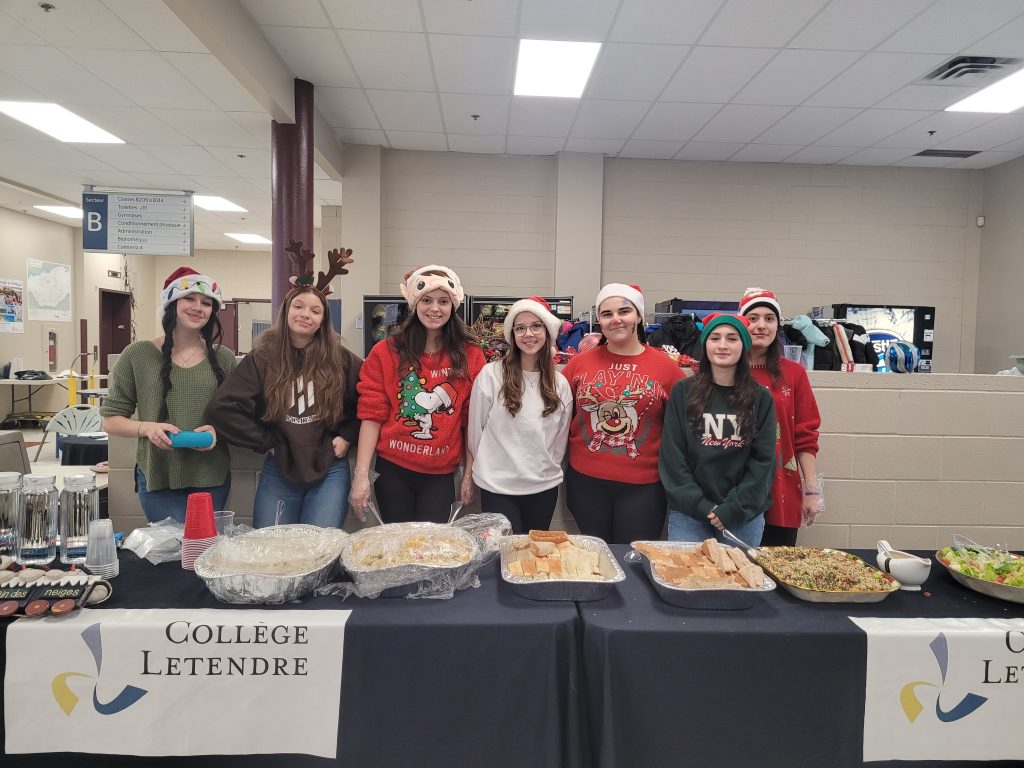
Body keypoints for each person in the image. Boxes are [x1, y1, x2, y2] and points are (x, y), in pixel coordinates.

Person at [207, 283, 361, 528]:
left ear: (323, 320)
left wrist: (348, 435)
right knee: (269, 550)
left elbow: (374, 402)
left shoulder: (341, 360)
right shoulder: (262, 358)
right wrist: (265, 441)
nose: (305, 314)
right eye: (298, 306)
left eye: (315, 310)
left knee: (319, 551)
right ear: (286, 311)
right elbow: (222, 409)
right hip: (281, 467)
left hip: (329, 469)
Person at [350, 265, 485, 523]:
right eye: (427, 300)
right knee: (398, 548)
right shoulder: (385, 351)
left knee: (431, 552)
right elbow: (372, 413)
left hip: (440, 474)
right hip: (393, 470)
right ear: (414, 303)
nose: (435, 308)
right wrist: (360, 476)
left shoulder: (471, 354)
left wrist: (469, 473)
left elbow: (471, 420)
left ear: (453, 306)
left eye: (443, 301)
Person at [101, 267, 236, 522]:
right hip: (157, 476)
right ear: (171, 303)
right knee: (169, 556)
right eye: (189, 298)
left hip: (211, 476)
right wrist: (147, 428)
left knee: (203, 552)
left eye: (207, 303)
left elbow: (243, 415)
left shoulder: (224, 359)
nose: (198, 307)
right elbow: (110, 420)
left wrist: (219, 432)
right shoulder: (137, 355)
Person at [561, 284, 684, 544]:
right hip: (586, 482)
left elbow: (682, 429)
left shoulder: (666, 368)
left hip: (644, 487)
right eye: (607, 314)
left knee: (633, 561)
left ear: (639, 316)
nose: (615, 319)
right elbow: (558, 417)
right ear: (600, 321)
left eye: (624, 311)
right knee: (595, 560)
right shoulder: (578, 364)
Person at [659, 313, 776, 545]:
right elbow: (673, 456)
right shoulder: (683, 392)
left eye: (732, 339)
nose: (722, 345)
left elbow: (764, 462)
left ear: (744, 345)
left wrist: (733, 508)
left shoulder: (760, 397)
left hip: (743, 515)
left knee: (737, 581)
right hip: (689, 513)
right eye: (715, 338)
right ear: (705, 344)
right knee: (688, 579)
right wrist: (701, 506)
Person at [466, 297, 572, 534]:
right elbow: (476, 431)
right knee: (501, 555)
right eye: (520, 328)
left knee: (533, 557)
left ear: (547, 331)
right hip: (497, 486)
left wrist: (546, 468)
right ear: (512, 334)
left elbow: (560, 441)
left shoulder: (560, 384)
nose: (528, 334)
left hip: (542, 487)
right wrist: (477, 471)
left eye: (536, 326)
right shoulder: (491, 375)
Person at [738, 287, 822, 546]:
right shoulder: (723, 370)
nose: (761, 325)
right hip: (733, 489)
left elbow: (805, 436)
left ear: (777, 325)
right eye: (753, 318)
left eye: (769, 318)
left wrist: (810, 489)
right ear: (741, 323)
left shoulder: (794, 373)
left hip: (781, 489)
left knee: (776, 571)